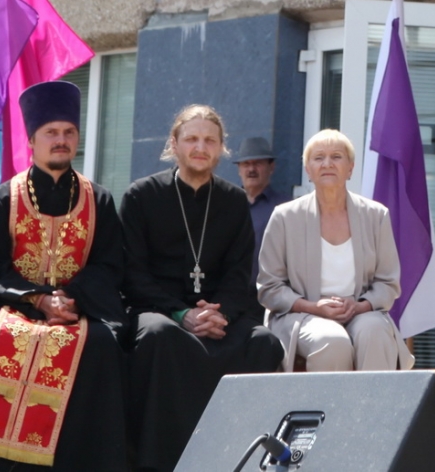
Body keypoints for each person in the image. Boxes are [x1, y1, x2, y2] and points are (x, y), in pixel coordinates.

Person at [0, 81, 128, 471]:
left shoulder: (99, 200)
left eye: (69, 132)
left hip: (80, 309)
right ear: (32, 140)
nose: (61, 140)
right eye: (51, 132)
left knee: (102, 345)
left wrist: (70, 297)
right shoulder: (2, 200)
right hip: (14, 307)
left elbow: (109, 267)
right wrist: (38, 297)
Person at [121, 104, 285, 472]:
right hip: (158, 309)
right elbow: (133, 274)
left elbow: (239, 273)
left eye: (210, 140)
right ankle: (159, 462)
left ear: (221, 148)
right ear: (174, 144)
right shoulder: (141, 196)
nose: (200, 147)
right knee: (159, 335)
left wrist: (218, 313)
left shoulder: (233, 201)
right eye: (192, 139)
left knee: (263, 342)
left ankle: (241, 457)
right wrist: (181, 313)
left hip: (217, 314)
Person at [258, 129, 413, 372]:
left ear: (350, 168)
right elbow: (269, 287)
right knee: (332, 340)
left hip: (362, 312)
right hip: (302, 314)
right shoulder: (284, 217)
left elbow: (388, 283)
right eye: (319, 157)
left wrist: (360, 306)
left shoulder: (376, 215)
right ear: (308, 170)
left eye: (337, 157)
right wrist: (312, 307)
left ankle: (375, 400)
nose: (327, 164)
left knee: (375, 332)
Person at [234, 135, 290, 318]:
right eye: (246, 164)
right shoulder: (226, 205)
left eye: (257, 163)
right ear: (239, 169)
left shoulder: (286, 208)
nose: (251, 169)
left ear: (271, 167)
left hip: (272, 298)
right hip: (232, 296)